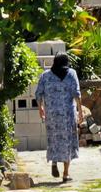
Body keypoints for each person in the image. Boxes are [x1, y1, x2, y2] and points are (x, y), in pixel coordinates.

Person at [35, 54, 81, 182]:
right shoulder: (71, 73)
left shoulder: (46, 75)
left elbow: (38, 94)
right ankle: (65, 174)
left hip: (52, 116)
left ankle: (54, 162)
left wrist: (41, 108)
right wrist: (80, 111)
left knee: (54, 139)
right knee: (68, 141)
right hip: (68, 115)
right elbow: (76, 93)